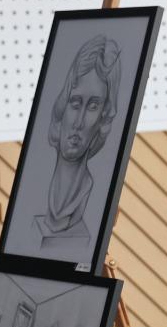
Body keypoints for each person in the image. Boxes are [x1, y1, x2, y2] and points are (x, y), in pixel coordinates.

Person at [36, 35, 122, 251]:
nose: (79, 122)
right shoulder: (43, 188)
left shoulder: (84, 191)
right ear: (62, 106)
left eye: (93, 106)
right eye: (75, 103)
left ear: (104, 116)